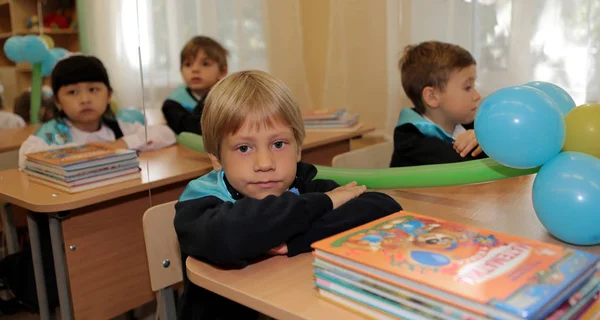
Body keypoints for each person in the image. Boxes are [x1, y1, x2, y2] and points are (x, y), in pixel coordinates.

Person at [174, 70, 401, 319]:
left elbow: (384, 207)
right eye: (244, 148)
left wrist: (293, 240)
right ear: (216, 159)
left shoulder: (300, 182)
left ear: (298, 150)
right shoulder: (197, 204)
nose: (265, 163)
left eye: (278, 144)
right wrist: (324, 203)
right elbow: (234, 235)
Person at [18, 54, 176, 168]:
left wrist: (121, 143)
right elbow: (25, 159)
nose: (85, 99)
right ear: (57, 102)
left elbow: (166, 134)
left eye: (93, 89)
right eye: (73, 92)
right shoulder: (50, 134)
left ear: (108, 95)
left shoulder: (118, 128)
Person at [390, 41, 488, 167]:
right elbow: (462, 168)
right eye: (468, 87)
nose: (477, 96)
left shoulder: (468, 124)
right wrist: (487, 142)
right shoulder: (410, 139)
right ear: (432, 97)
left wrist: (485, 138)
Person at [161, 36, 228, 135]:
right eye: (188, 64)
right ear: (181, 71)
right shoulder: (172, 104)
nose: (195, 69)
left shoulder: (229, 97)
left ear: (222, 72)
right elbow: (190, 129)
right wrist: (209, 97)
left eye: (205, 64)